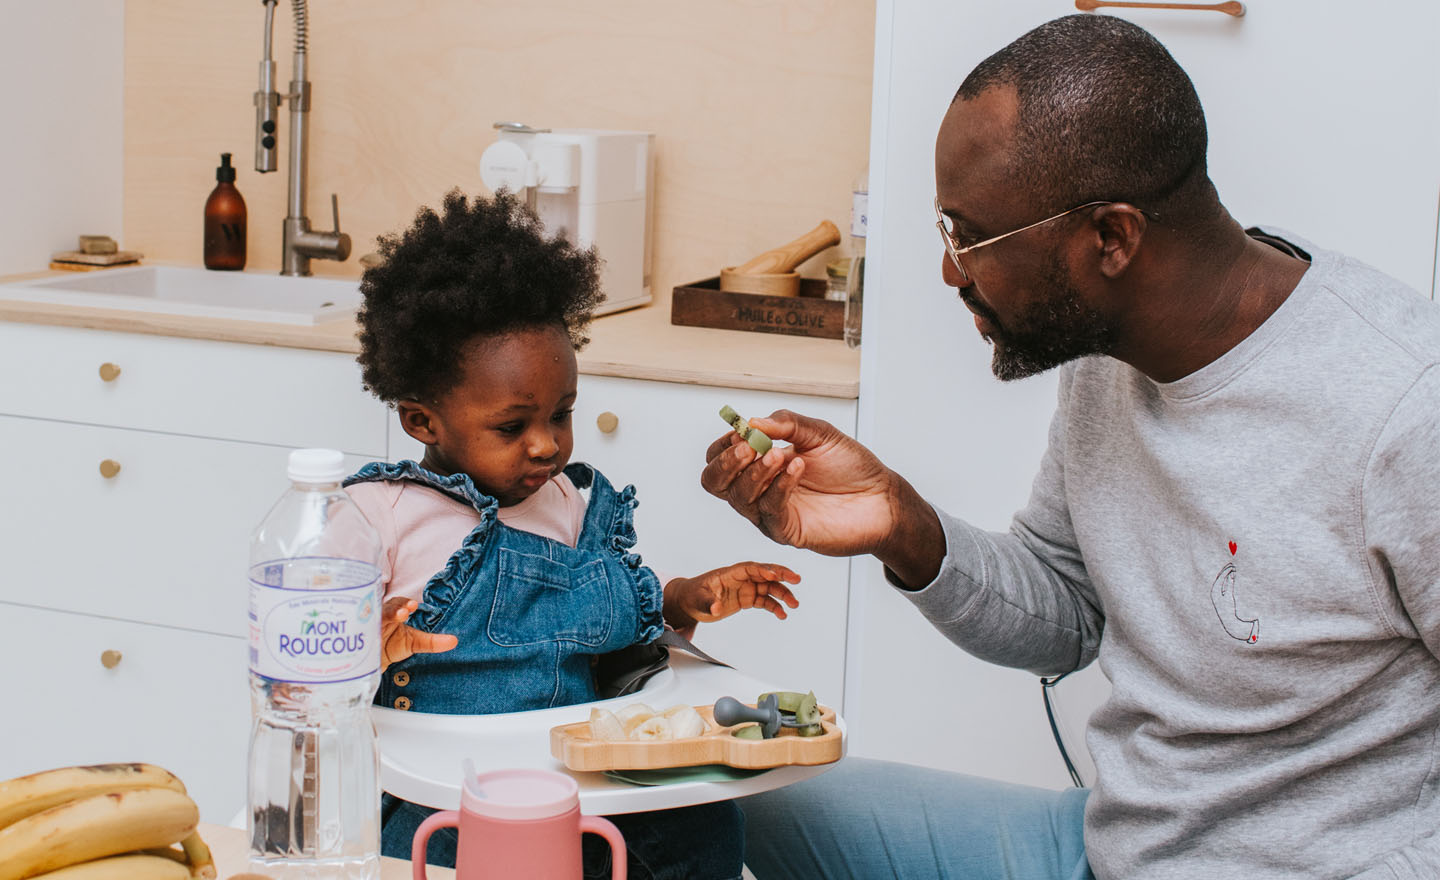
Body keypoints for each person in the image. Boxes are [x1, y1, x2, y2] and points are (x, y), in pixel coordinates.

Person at [704, 13, 1440, 880]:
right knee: (729, 798)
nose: (951, 271)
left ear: (1111, 238)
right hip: (1106, 848)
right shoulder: (1109, 350)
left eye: (969, 235)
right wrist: (901, 526)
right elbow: (1067, 617)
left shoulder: (1403, 408)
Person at [345, 188, 802, 880]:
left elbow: (607, 635)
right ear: (421, 421)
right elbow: (298, 663)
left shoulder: (567, 503)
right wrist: (361, 645)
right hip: (450, 796)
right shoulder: (381, 513)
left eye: (561, 415)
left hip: (578, 777)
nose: (545, 446)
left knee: (705, 828)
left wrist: (683, 599)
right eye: (512, 426)